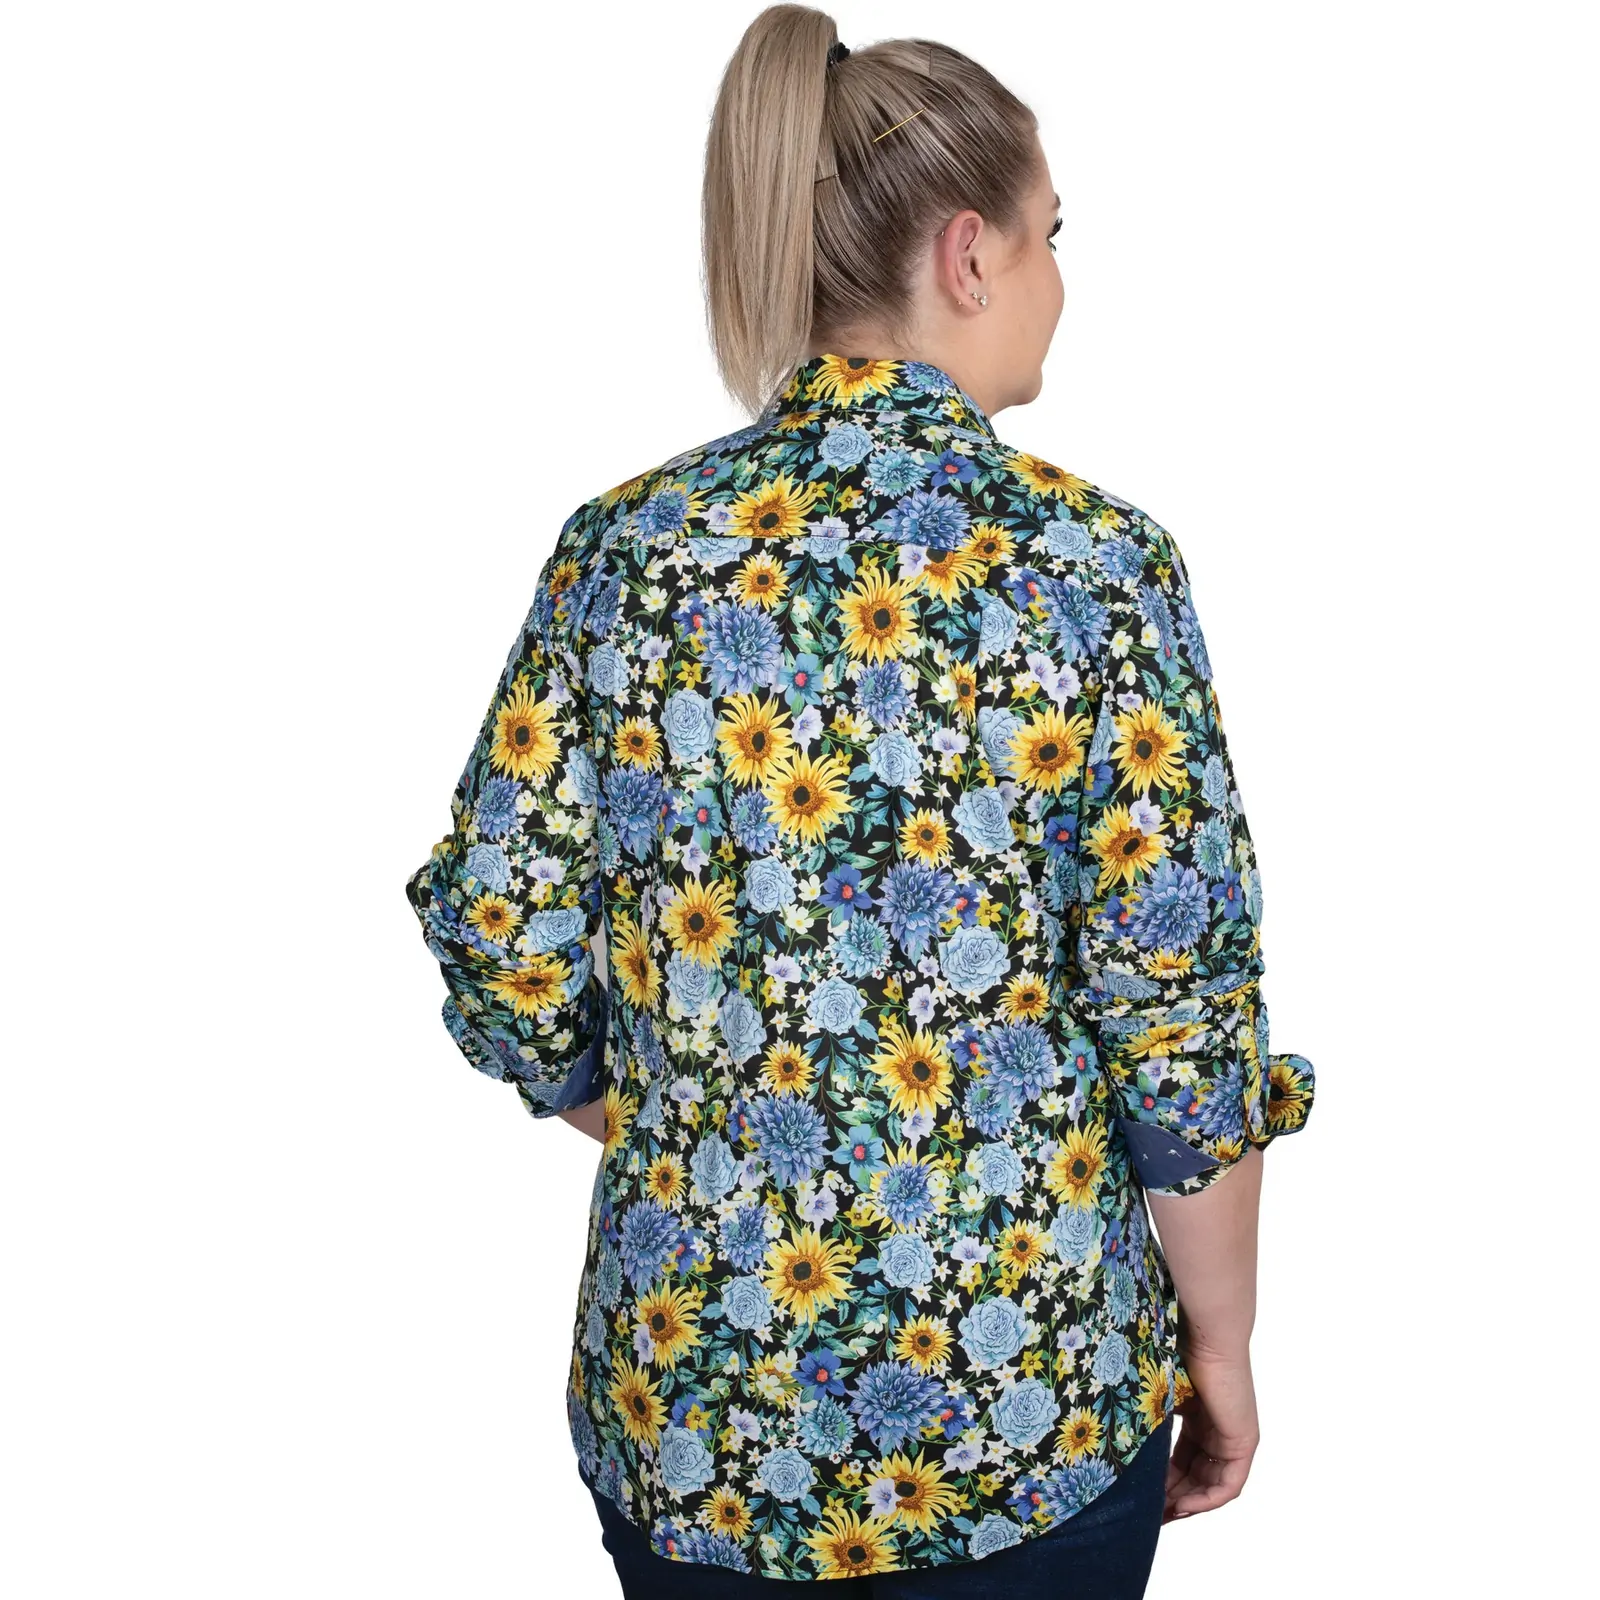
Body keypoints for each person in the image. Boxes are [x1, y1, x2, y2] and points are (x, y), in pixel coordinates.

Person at [402, 6, 1316, 1594]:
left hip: (695, 1422)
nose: (1059, 279)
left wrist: (658, 1111)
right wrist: (1221, 1350)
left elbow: (503, 932)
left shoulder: (627, 554)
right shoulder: (1093, 569)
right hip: (1026, 1425)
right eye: (1050, 237)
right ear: (968, 255)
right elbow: (1176, 1021)